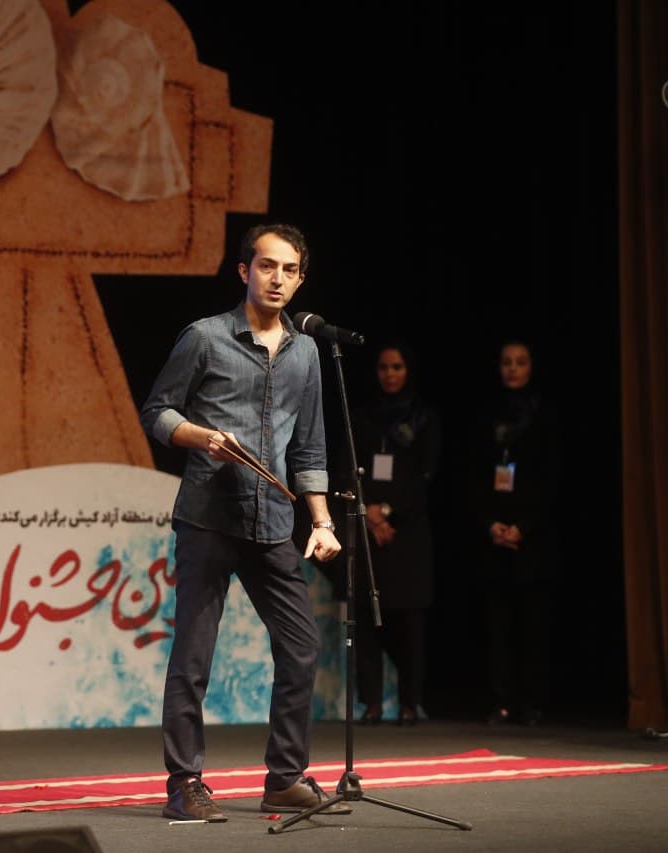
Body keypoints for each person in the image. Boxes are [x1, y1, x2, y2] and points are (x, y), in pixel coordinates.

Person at [140, 223, 348, 822]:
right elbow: (157, 411)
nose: (277, 278)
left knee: (302, 646)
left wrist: (322, 521)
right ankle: (185, 783)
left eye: (289, 270)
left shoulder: (307, 352)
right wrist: (198, 435)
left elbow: (309, 447)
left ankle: (283, 779)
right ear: (244, 271)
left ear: (301, 279)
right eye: (266, 266)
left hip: (273, 522)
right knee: (194, 655)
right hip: (209, 516)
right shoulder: (205, 338)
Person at [351, 343, 441, 726]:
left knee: (409, 625)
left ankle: (409, 703)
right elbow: (347, 466)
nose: (390, 374)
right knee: (366, 621)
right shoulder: (361, 416)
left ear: (409, 371)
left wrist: (388, 512)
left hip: (408, 532)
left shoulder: (424, 418)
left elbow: (426, 475)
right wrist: (370, 513)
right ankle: (371, 702)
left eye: (397, 367)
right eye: (384, 367)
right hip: (368, 528)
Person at [470, 339, 559, 726]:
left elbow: (553, 479)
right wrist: (490, 524)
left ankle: (533, 701)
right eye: (507, 362)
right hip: (493, 534)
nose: (513, 369)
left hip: (532, 537)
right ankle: (502, 700)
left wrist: (524, 527)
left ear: (532, 367)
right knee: (499, 626)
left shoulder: (545, 415)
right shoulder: (486, 414)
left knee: (534, 625)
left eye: (520, 362)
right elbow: (472, 476)